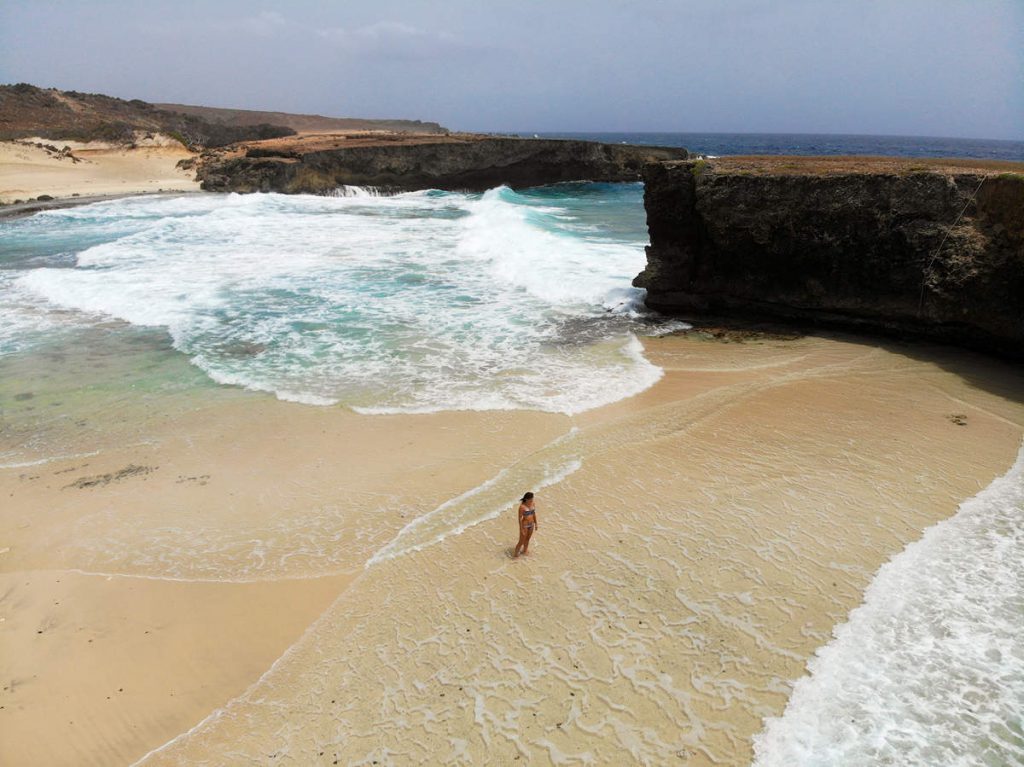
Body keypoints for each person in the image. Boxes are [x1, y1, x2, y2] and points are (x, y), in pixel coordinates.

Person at [513, 491, 538, 558]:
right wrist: (521, 529)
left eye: (532, 499)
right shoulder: (522, 507)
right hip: (525, 525)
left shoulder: (533, 504)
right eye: (530, 500)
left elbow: (534, 514)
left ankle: (525, 551)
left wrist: (536, 523)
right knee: (521, 541)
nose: (532, 501)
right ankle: (515, 555)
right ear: (526, 499)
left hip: (531, 524)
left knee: (527, 539)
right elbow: (520, 519)